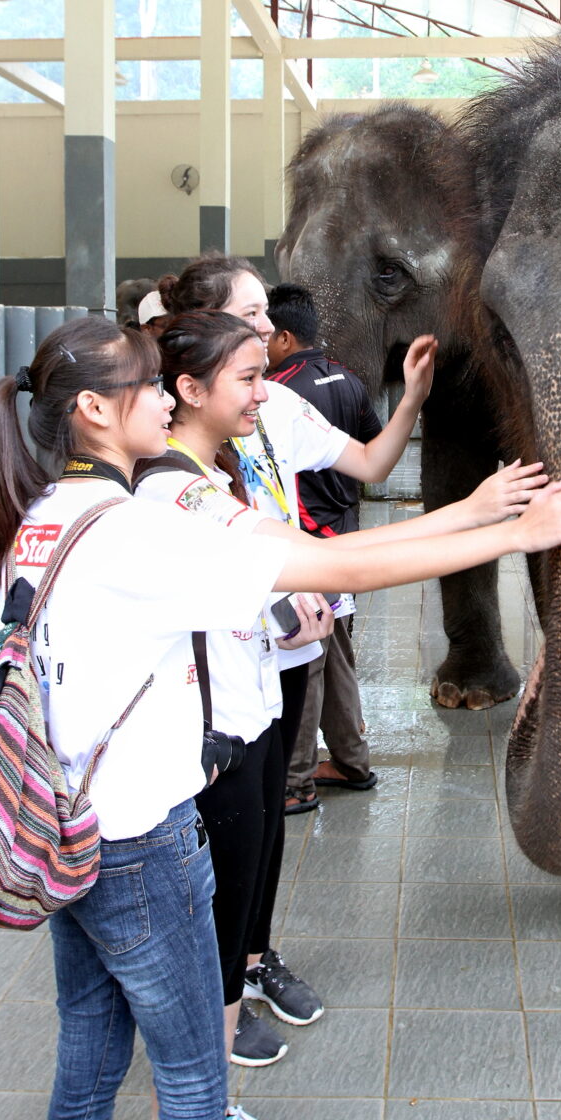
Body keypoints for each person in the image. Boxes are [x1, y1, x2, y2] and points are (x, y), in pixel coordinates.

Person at [0, 314, 561, 1120]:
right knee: (194, 1079)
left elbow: (300, 550)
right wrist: (515, 532)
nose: (164, 403)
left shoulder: (36, 518)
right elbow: (340, 563)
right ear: (96, 411)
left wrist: (479, 512)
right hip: (141, 846)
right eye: (146, 387)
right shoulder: (137, 533)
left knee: (92, 1056)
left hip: (73, 831)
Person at [158, 252, 439, 1019]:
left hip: (285, 649)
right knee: (226, 828)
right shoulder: (181, 453)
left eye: (265, 320)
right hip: (225, 659)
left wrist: (411, 398)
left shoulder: (273, 407)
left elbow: (370, 463)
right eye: (250, 316)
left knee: (267, 818)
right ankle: (213, 993)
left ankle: (251, 959)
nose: (269, 328)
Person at [135, 311, 334, 1081]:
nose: (264, 393)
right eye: (248, 377)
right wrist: (483, 522)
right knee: (215, 929)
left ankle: (202, 1093)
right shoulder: (178, 492)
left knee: (235, 911)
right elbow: (335, 564)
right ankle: (197, 1099)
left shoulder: (215, 473)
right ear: (187, 387)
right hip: (212, 739)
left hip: (246, 717)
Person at [265, 283, 381, 814]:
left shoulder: (275, 393)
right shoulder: (350, 380)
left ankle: (296, 780)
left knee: (305, 653)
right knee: (334, 649)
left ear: (284, 335)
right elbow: (370, 450)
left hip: (307, 541)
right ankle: (352, 759)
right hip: (346, 529)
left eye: (263, 330)